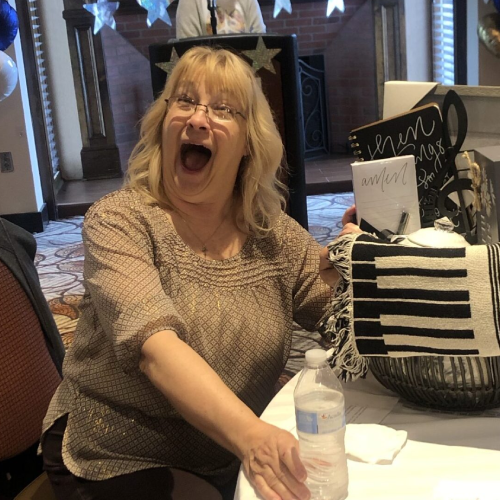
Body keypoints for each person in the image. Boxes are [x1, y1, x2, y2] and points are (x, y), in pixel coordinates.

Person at [40, 45, 342, 500]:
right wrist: (252, 438)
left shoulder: (273, 235)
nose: (198, 119)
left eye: (222, 109)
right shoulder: (119, 220)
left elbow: (338, 316)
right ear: (164, 123)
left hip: (226, 452)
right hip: (115, 455)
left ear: (247, 143)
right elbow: (155, 348)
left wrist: (360, 261)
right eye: (184, 100)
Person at [176, 0, 266, 39]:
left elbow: (261, 43)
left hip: (245, 74)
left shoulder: (249, 1)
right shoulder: (189, 2)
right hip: (206, 76)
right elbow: (188, 54)